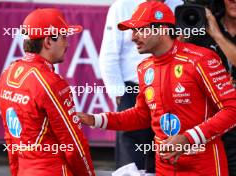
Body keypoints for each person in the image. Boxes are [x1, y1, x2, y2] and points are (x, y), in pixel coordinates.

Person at [79, 1, 236, 175]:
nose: (133, 37)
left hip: (203, 168)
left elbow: (232, 110)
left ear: (161, 29)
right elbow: (141, 115)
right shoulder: (144, 68)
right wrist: (94, 120)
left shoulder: (201, 59)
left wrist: (188, 138)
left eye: (140, 29)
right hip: (165, 169)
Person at [0, 8, 95, 176]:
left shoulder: (8, 72)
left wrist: (16, 171)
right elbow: (72, 143)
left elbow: (10, 138)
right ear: (48, 42)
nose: (68, 43)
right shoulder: (51, 82)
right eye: (64, 37)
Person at [99, 0, 183, 172]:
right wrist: (120, 95)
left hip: (172, 91)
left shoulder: (180, 4)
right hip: (133, 91)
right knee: (130, 164)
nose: (134, 36)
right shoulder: (122, 6)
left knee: (165, 157)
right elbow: (109, 55)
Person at [188, 0, 236, 174]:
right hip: (209, 122)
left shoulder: (212, 29)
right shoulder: (203, 23)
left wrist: (217, 35)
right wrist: (181, 35)